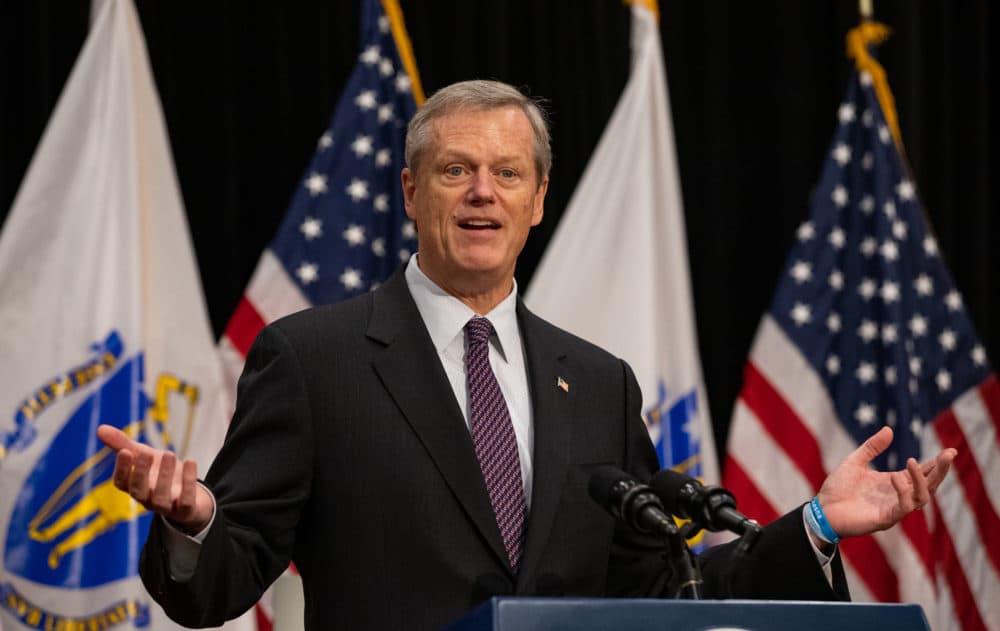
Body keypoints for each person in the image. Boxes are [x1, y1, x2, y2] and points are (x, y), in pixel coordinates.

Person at [97, 80, 956, 631]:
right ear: (409, 191)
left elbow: (661, 592)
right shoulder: (314, 358)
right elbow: (216, 585)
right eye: (455, 170)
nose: (482, 192)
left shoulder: (601, 385)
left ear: (539, 200)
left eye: (508, 174)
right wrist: (193, 521)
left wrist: (812, 525)